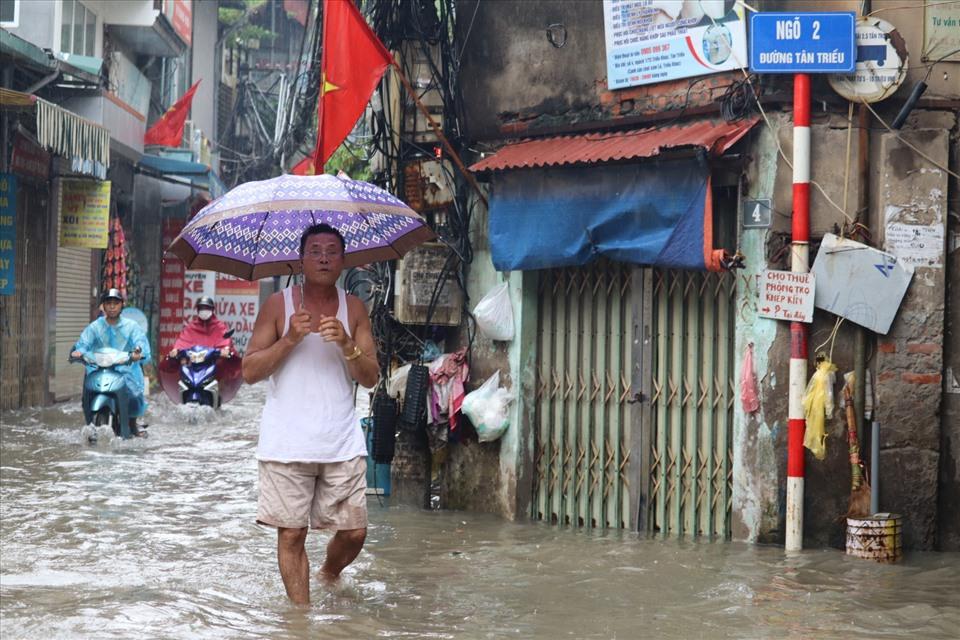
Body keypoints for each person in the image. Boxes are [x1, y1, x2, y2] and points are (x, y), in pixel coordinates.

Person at [243, 223, 379, 605]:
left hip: (341, 440)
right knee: (291, 535)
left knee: (355, 532)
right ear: (301, 259)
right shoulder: (278, 306)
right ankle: (301, 621)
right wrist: (290, 339)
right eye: (315, 250)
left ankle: (328, 573)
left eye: (331, 251)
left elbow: (371, 378)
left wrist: (348, 344)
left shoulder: (353, 308)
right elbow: (250, 371)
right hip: (286, 443)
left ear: (343, 260)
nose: (323, 257)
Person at [71, 288, 151, 435]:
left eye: (116, 303)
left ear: (122, 305)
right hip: (98, 369)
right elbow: (84, 343)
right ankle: (89, 423)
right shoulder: (95, 327)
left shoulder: (131, 327)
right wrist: (79, 351)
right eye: (109, 303)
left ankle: (131, 425)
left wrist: (138, 353)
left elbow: (141, 344)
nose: (112, 306)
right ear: (103, 306)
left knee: (132, 397)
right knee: (86, 396)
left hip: (126, 371)